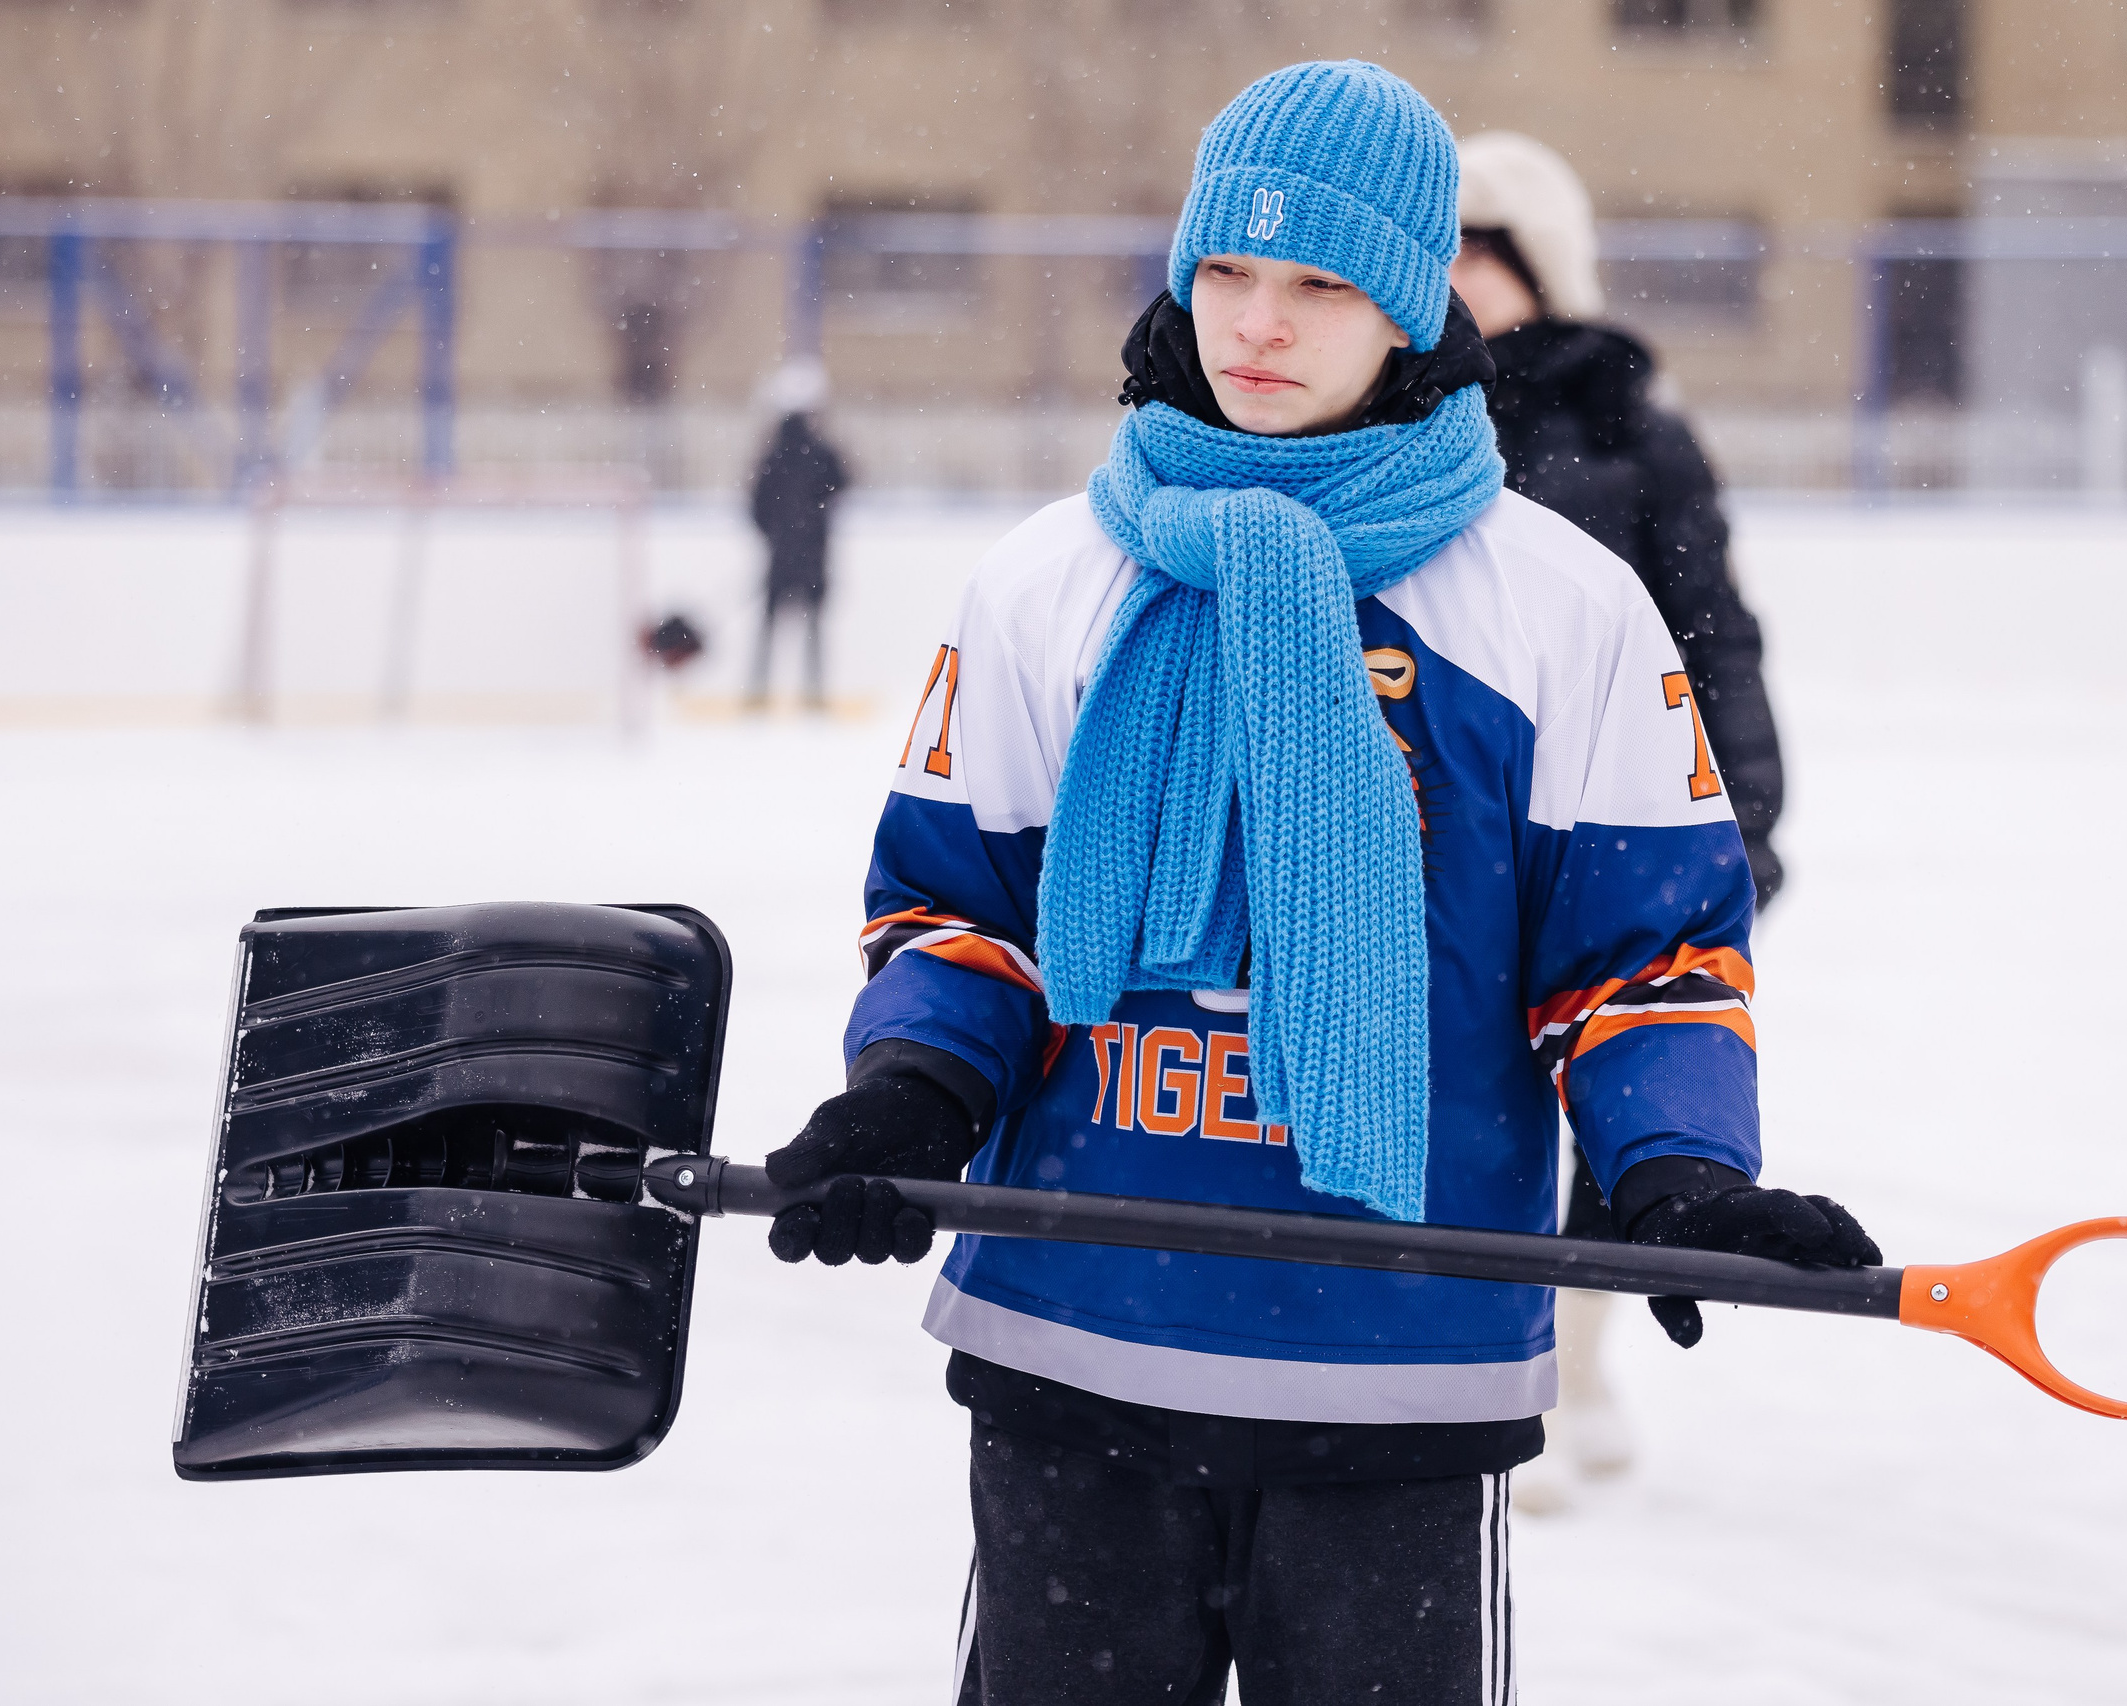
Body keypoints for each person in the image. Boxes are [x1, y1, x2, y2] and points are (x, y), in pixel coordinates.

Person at [762, 63, 1877, 1706]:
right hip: (1074, 1340)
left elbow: (1646, 956)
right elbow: (959, 905)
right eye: (1226, 271)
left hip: (1397, 1378)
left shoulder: (1557, 609)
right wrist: (913, 1090)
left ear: (1414, 307)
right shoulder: (1044, 584)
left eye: (1320, 283)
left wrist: (1679, 1172)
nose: (1258, 324)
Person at [1451, 131, 1792, 1513]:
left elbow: (1718, 639)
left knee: (1613, 1099)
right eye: (1445, 252)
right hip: (1467, 829)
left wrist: (1744, 818)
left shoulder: (1629, 431)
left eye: (1489, 252)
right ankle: (1498, 1343)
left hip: (1618, 821)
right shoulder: (1403, 424)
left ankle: (1570, 1353)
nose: (1462, 280)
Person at [746, 358, 850, 710]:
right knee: (810, 627)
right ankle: (813, 694)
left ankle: (759, 693)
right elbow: (841, 486)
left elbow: (756, 505)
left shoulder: (774, 454)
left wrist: (776, 534)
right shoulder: (820, 453)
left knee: (772, 624)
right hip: (812, 553)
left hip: (783, 553)